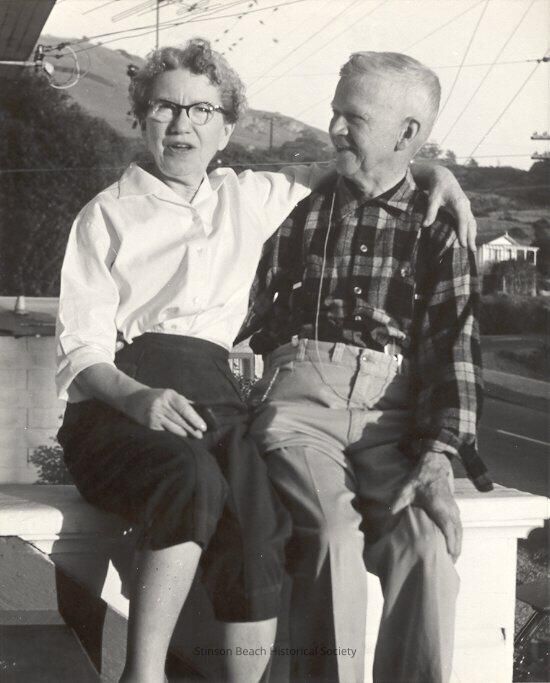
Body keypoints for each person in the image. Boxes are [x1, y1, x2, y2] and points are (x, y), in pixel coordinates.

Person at [56, 39, 477, 683]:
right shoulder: (108, 215)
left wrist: (433, 174)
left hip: (245, 398)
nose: (181, 124)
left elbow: (372, 178)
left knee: (288, 529)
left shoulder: (251, 196)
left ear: (226, 129)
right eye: (164, 107)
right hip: (145, 388)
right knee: (244, 504)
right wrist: (136, 396)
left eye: (201, 110)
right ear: (140, 118)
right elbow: (81, 344)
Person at [240, 51, 488, 683]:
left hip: (392, 421)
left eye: (354, 117)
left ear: (407, 133)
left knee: (427, 549)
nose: (334, 128)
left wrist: (439, 457)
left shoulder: (440, 230)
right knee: (331, 538)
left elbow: (454, 351)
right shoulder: (298, 205)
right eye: (335, 112)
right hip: (301, 409)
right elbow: (245, 311)